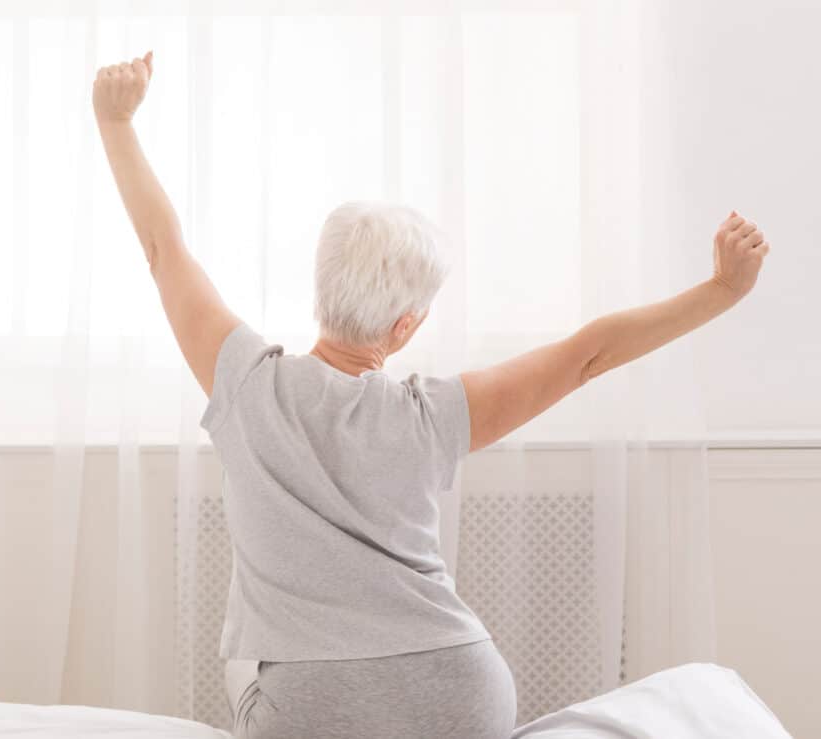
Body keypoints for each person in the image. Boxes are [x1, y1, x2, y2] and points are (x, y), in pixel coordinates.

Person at [92, 52, 770, 739]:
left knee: (244, 648)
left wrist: (114, 120)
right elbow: (587, 355)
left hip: (311, 706)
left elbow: (162, 248)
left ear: (320, 289)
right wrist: (721, 290)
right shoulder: (434, 416)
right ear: (405, 325)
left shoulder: (245, 383)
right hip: (461, 692)